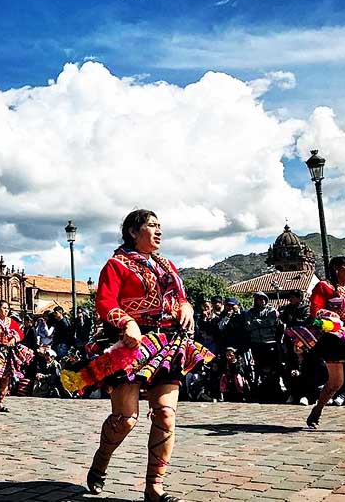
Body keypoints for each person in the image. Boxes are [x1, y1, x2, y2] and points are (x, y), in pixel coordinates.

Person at [71, 209, 212, 502]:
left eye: (160, 226)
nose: (158, 231)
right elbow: (105, 302)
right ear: (134, 232)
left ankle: (154, 489)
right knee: (125, 419)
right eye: (151, 226)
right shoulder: (116, 264)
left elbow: (180, 298)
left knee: (165, 414)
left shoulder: (166, 264)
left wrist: (186, 307)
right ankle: (102, 458)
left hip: (169, 343)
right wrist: (127, 322)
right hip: (130, 345)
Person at [304, 256, 345, 428]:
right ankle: (318, 409)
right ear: (337, 269)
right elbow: (315, 311)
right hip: (335, 339)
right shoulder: (324, 286)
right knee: (336, 383)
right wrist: (332, 316)